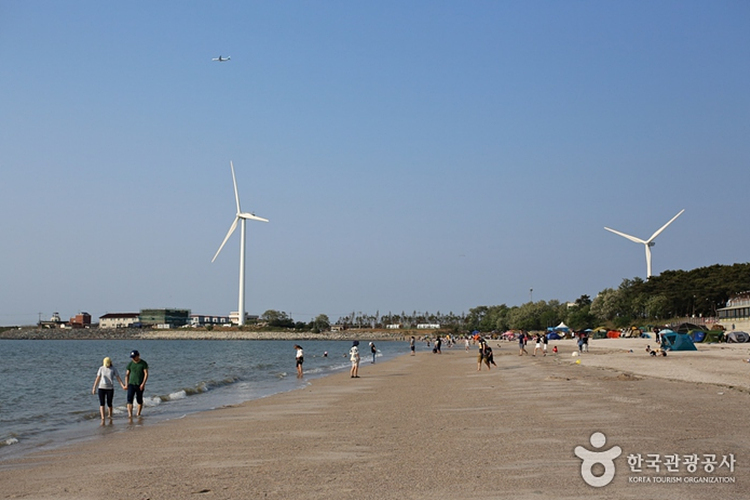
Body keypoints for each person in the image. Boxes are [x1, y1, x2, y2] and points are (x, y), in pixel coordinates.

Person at [125, 350, 149, 418]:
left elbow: (146, 374)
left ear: (138, 356)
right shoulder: (130, 364)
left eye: (134, 357)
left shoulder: (143, 363)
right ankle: (130, 414)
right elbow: (127, 374)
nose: (133, 358)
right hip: (131, 384)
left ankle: (138, 413)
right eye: (132, 357)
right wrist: (126, 384)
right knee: (129, 399)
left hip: (140, 384)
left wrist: (143, 383)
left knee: (139, 399)